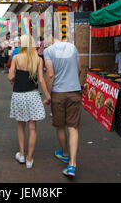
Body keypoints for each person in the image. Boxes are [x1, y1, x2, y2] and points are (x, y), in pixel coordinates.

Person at [8, 34, 50, 169]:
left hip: (19, 95)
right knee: (32, 128)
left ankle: (21, 154)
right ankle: (29, 159)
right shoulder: (38, 59)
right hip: (33, 95)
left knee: (21, 126)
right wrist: (48, 96)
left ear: (23, 44)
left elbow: (10, 77)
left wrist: (15, 80)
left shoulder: (16, 57)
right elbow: (41, 80)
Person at [44, 31, 82, 177]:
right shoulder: (73, 47)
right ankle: (72, 164)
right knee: (73, 127)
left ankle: (65, 152)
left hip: (58, 94)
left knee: (60, 125)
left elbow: (50, 74)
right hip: (74, 92)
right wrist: (72, 81)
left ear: (49, 37)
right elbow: (79, 69)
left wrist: (48, 95)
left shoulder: (48, 51)